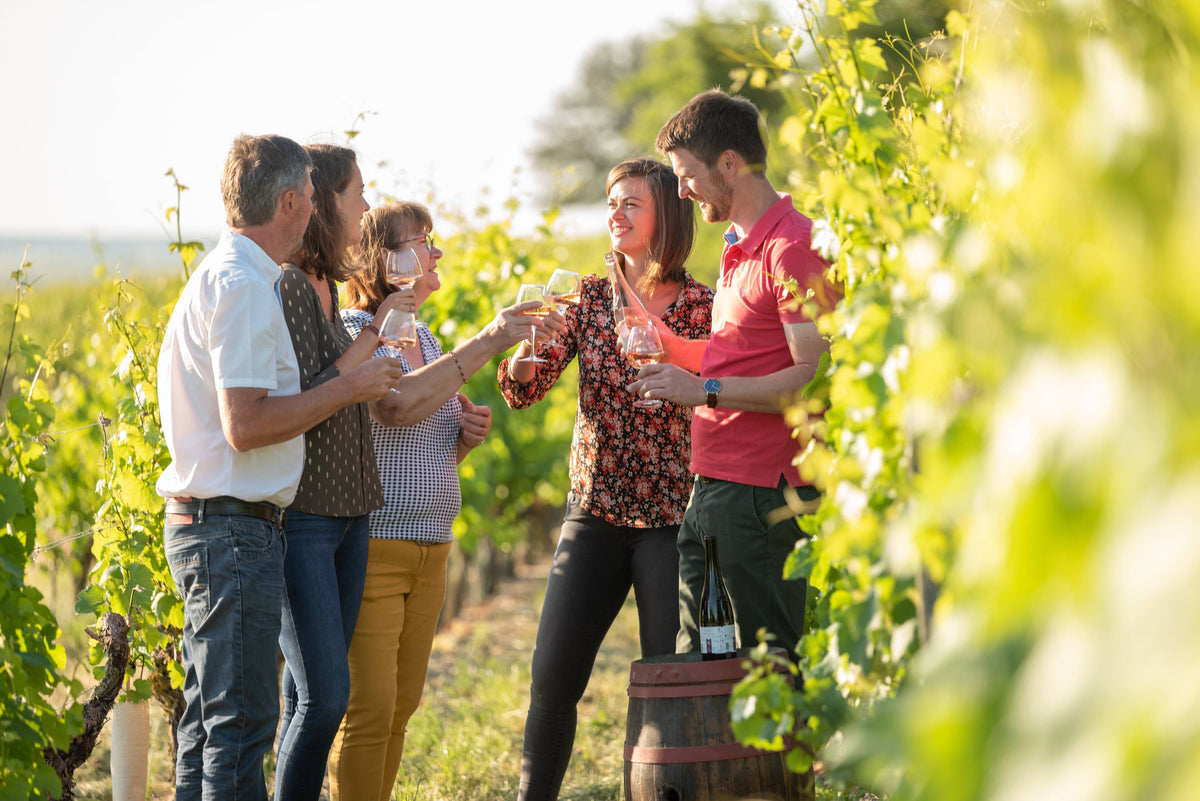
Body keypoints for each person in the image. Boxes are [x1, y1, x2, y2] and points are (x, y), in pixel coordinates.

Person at [156, 134, 405, 801]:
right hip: (229, 530)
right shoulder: (244, 287)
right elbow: (247, 425)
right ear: (292, 201)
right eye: (316, 197)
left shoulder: (232, 276)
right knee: (242, 727)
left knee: (211, 727)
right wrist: (347, 389)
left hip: (223, 526)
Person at [498, 157, 714, 801]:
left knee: (671, 682)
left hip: (670, 520)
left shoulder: (703, 306)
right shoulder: (588, 297)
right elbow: (524, 391)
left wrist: (688, 390)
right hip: (593, 512)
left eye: (631, 203)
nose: (615, 213)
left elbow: (719, 397)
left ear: (667, 215)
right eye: (611, 202)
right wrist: (522, 349)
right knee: (553, 679)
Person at [329, 201, 544, 801]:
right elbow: (393, 406)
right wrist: (492, 339)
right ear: (384, 258)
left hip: (433, 548)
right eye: (422, 240)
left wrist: (463, 440)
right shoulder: (354, 332)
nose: (436, 252)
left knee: (402, 704)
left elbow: (422, 444)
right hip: (374, 546)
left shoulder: (424, 334)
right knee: (369, 707)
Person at [630, 89, 841, 661]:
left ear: (728, 163)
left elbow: (806, 379)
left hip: (761, 496)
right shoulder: (738, 248)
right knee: (707, 663)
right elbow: (738, 356)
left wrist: (703, 392)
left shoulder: (792, 248)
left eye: (686, 174)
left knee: (768, 665)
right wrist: (670, 348)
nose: (681, 191)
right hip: (715, 487)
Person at [270, 143, 424, 800]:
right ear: (322, 199)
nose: (365, 209)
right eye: (357, 194)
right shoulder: (289, 288)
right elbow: (313, 392)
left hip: (351, 512)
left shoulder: (326, 288)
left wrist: (383, 326)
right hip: (306, 514)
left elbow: (345, 373)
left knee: (302, 695)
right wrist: (368, 367)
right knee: (327, 697)